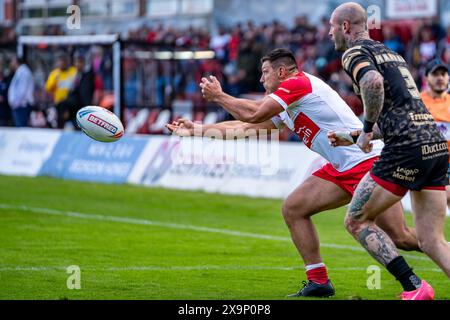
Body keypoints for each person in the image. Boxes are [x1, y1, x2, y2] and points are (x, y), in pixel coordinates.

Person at [166, 48, 420, 298]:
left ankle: (416, 280)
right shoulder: (287, 101)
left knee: (401, 237)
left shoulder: (297, 83)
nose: (261, 79)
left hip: (367, 162)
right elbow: (246, 126)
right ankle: (319, 282)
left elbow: (253, 113)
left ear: (281, 71)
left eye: (265, 72)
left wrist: (219, 96)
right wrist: (197, 129)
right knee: (294, 208)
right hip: (343, 167)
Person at [327, 2, 450, 300]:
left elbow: (372, 82)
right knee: (432, 240)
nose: (330, 34)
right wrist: (354, 135)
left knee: (356, 220)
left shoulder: (354, 53)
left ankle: (414, 286)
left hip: (405, 150)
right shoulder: (391, 54)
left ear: (345, 27)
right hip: (434, 145)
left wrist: (367, 127)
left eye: (332, 28)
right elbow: (397, 112)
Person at [420, 59, 450, 207]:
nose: (440, 78)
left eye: (443, 74)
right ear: (426, 77)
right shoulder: (417, 102)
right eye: (435, 74)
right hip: (425, 162)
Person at [55, 54, 95, 129]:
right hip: (74, 109)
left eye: (80, 62)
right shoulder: (76, 75)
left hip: (82, 108)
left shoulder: (88, 75)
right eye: (76, 62)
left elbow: (86, 94)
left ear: (84, 63)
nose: (77, 64)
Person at [45, 52, 77, 128]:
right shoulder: (54, 74)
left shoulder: (73, 71)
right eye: (60, 61)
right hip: (59, 104)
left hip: (72, 104)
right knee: (60, 125)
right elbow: (48, 88)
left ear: (67, 62)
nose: (62, 63)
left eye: (64, 61)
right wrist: (55, 80)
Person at [7, 55, 34, 127]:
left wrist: (15, 103)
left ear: (16, 62)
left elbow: (22, 90)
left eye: (12, 61)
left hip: (21, 106)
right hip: (19, 106)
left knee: (21, 130)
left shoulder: (23, 72)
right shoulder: (19, 71)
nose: (11, 64)